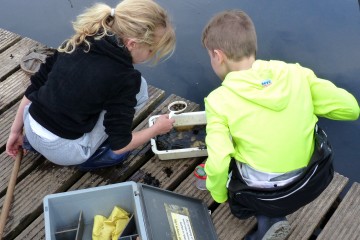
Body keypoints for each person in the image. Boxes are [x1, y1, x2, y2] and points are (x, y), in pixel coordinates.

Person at [201, 10, 359, 240]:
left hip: (264, 196)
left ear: (218, 55)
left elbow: (217, 164)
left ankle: (264, 223)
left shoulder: (218, 101)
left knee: (235, 198)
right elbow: (351, 109)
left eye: (210, 56)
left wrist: (220, 196)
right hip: (313, 179)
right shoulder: (296, 73)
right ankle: (272, 219)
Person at [6, 0, 176, 171]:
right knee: (141, 90)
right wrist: (156, 129)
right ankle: (95, 155)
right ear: (132, 44)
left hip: (30, 128)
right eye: (151, 50)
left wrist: (15, 131)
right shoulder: (126, 78)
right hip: (63, 152)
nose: (150, 56)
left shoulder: (77, 41)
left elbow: (34, 88)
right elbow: (120, 144)